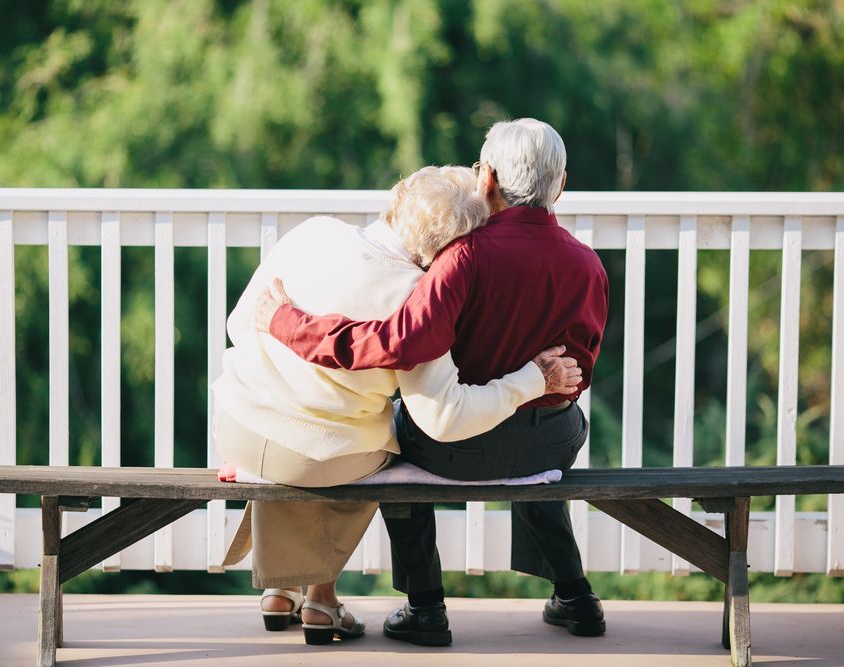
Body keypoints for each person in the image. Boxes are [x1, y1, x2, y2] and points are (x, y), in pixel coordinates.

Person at [256, 118, 610, 644]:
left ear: (485, 179)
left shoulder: (462, 259)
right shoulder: (589, 266)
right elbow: (576, 369)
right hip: (551, 442)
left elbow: (396, 342)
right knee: (541, 448)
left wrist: (287, 322)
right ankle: (577, 598)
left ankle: (425, 608)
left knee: (397, 437)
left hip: (457, 449)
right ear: (561, 186)